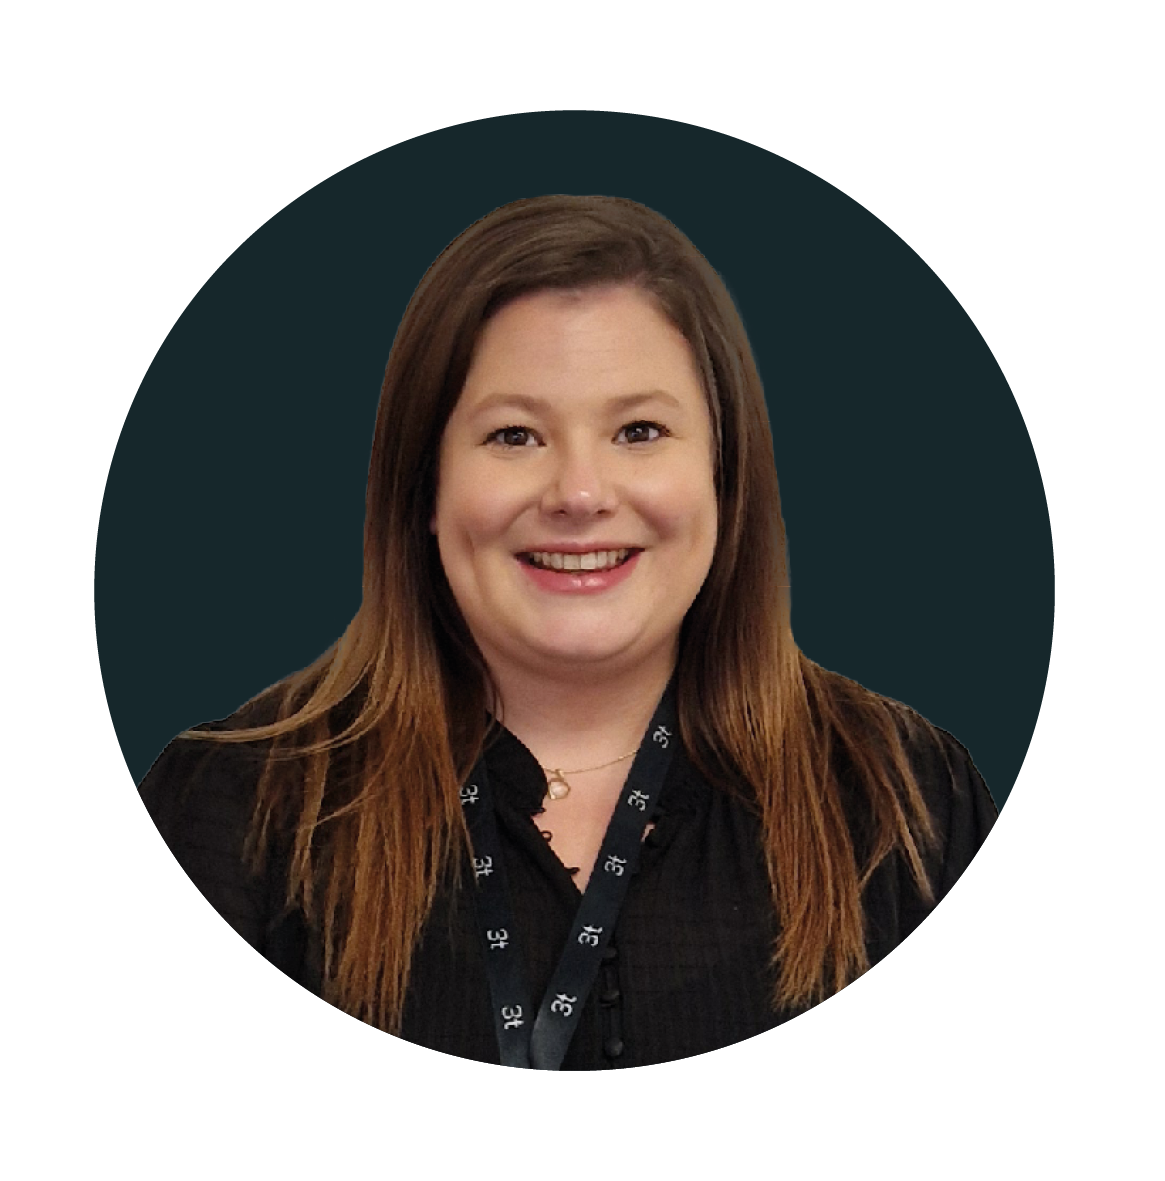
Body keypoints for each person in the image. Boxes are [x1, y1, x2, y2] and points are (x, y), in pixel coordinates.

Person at [139, 193, 997, 1069]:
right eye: (514, 435)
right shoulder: (233, 812)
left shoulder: (908, 801)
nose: (579, 493)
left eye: (639, 430)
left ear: (725, 477)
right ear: (423, 489)